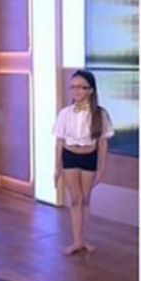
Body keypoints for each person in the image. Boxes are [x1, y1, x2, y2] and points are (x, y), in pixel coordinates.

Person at [53, 70, 114, 256]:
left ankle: (83, 239)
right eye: (73, 87)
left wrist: (102, 168)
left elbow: (103, 144)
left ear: (91, 90)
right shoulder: (65, 113)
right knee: (75, 198)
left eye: (81, 87)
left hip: (89, 157)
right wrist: (56, 167)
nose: (76, 91)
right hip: (70, 156)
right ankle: (76, 241)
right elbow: (59, 141)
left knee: (85, 198)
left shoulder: (100, 114)